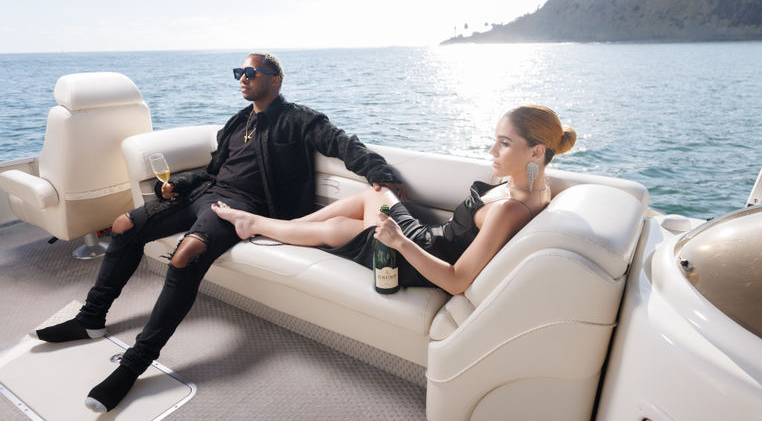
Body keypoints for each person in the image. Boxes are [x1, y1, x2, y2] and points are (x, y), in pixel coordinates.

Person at [29, 52, 404, 412]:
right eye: (238, 73)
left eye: (250, 73)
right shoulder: (238, 122)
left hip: (246, 207)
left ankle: (135, 362)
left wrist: (381, 175)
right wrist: (177, 184)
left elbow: (344, 143)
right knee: (124, 224)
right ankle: (91, 318)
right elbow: (212, 172)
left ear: (275, 79)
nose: (242, 79)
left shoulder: (299, 120)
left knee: (186, 253)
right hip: (207, 195)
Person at [211, 105, 576, 295]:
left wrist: (398, 241)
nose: (492, 150)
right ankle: (285, 227)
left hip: (418, 259)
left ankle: (254, 223)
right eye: (496, 139)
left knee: (339, 228)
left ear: (537, 151)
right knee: (375, 191)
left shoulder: (511, 208)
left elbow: (455, 281)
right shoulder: (535, 185)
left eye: (505, 143)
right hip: (429, 238)